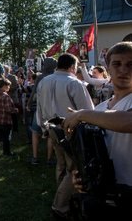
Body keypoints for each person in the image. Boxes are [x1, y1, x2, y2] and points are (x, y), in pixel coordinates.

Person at [63, 41, 132, 218]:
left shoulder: (92, 113)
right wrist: (82, 176)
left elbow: (128, 121)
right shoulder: (100, 109)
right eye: (117, 64)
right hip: (104, 196)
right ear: (108, 68)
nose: (123, 70)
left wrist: (82, 114)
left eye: (130, 64)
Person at [36, 53, 94, 218]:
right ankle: (61, 205)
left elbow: (39, 107)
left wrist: (43, 127)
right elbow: (87, 110)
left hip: (52, 127)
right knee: (74, 168)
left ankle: (63, 197)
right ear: (72, 67)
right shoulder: (74, 82)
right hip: (70, 130)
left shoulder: (44, 81)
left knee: (61, 164)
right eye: (75, 67)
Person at [0, 78, 18, 156]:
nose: (9, 87)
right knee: (6, 138)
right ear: (4, 86)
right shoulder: (6, 97)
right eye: (8, 86)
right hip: (5, 121)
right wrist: (15, 110)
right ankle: (6, 152)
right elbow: (8, 109)